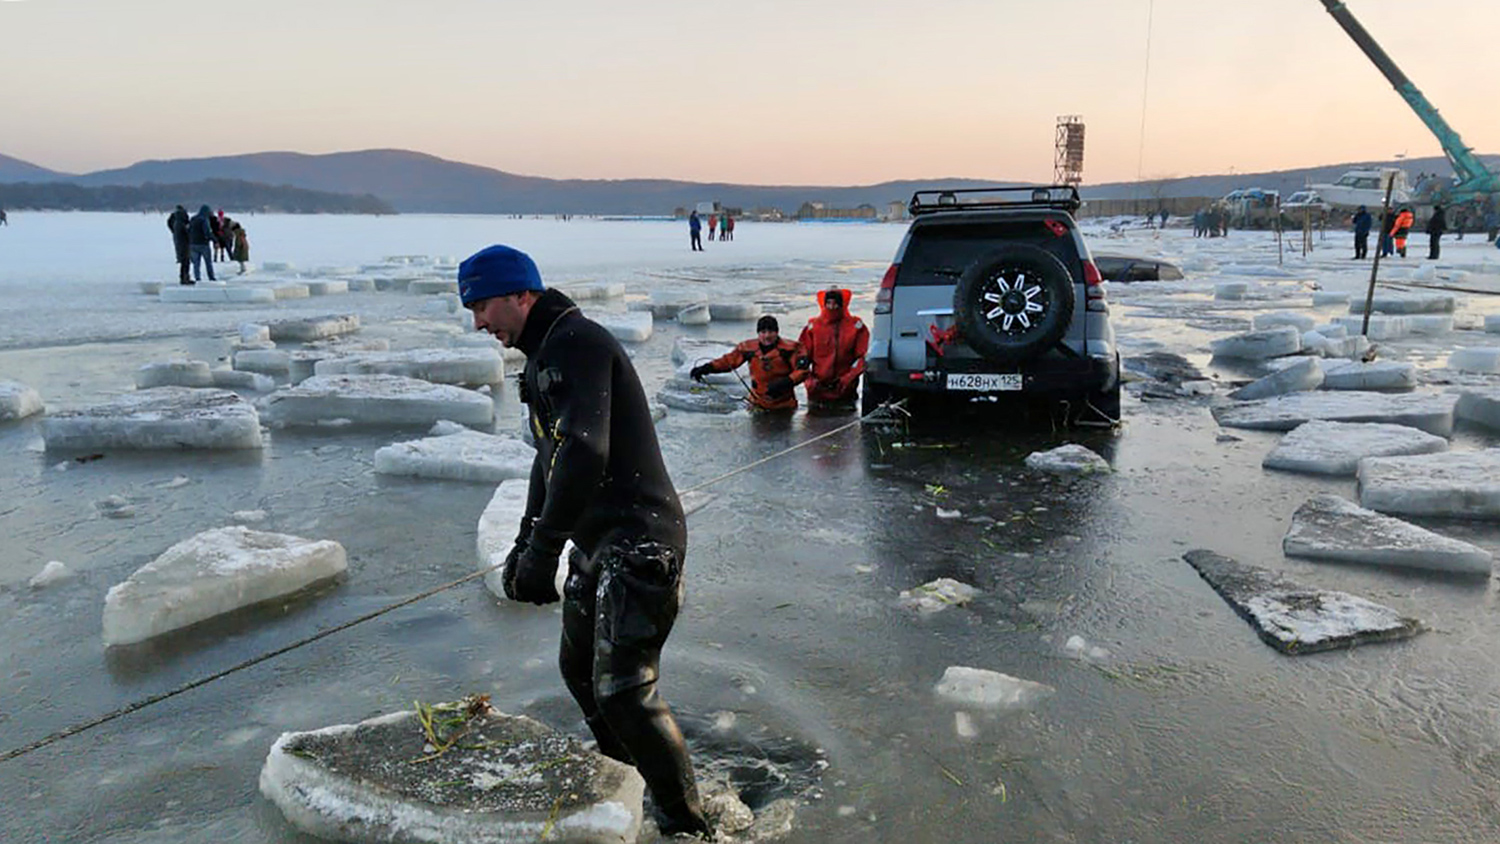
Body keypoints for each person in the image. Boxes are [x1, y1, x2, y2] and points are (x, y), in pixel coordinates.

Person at [458, 245, 710, 837]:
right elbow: (549, 457)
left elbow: (586, 450)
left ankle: (687, 825)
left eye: (482, 306)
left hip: (641, 543)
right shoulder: (545, 353)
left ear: (521, 294)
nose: (477, 323)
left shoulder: (577, 343)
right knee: (578, 669)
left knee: (626, 689)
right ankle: (628, 780)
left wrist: (546, 548)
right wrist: (526, 542)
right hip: (599, 544)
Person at [689, 315, 807, 411]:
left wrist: (785, 383)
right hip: (757, 402)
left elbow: (802, 371)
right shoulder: (748, 348)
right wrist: (707, 368)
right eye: (763, 332)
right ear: (758, 333)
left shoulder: (790, 349)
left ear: (777, 332)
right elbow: (728, 361)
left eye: (771, 331)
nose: (767, 336)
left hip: (784, 405)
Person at [798, 287, 869, 410]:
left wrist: (848, 378)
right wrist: (810, 382)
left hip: (846, 391)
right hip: (817, 392)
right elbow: (801, 358)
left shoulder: (856, 327)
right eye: (829, 303)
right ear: (824, 304)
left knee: (846, 425)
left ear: (842, 304)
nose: (832, 307)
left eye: (836, 303)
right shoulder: (813, 327)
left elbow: (863, 357)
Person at [188, 205, 217, 282]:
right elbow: (207, 232)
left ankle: (197, 278)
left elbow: (189, 230)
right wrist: (214, 240)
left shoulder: (193, 219)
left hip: (193, 244)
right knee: (208, 262)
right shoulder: (204, 220)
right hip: (203, 244)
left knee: (196, 263)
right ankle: (211, 277)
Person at [166, 205, 192, 284]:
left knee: (184, 261)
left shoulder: (175, 222)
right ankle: (184, 278)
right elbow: (187, 233)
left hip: (179, 243)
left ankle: (184, 277)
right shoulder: (181, 224)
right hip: (184, 244)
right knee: (186, 261)